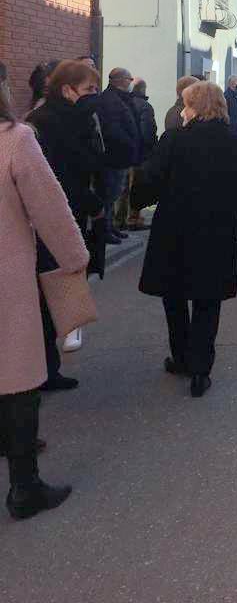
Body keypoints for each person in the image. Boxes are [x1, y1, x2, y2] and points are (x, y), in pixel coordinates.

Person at [132, 81, 237, 398]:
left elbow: (150, 180)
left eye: (187, 104)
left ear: (195, 107)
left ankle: (183, 357)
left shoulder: (174, 139)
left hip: (175, 227)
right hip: (217, 228)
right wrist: (226, 206)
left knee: (174, 295)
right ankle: (201, 368)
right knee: (208, 298)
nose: (183, 109)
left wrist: (141, 199)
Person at [0, 83, 90, 520]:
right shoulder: (15, 140)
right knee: (17, 380)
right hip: (7, 281)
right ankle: (24, 486)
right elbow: (50, 208)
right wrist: (75, 260)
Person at [27, 60, 105, 375]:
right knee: (48, 288)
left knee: (61, 282)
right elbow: (64, 173)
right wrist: (92, 203)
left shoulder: (80, 118)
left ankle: (50, 359)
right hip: (52, 218)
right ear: (67, 90)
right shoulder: (44, 122)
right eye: (89, 90)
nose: (94, 96)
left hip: (76, 211)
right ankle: (44, 366)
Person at [96, 68, 141, 244]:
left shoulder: (120, 98)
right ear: (120, 80)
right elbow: (113, 129)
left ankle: (111, 226)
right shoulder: (109, 100)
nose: (131, 82)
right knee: (108, 195)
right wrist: (129, 143)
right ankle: (105, 229)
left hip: (122, 156)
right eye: (129, 78)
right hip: (114, 156)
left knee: (114, 194)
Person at [122, 78, 158, 232]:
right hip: (140, 155)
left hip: (125, 153)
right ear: (143, 89)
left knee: (123, 189)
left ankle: (121, 220)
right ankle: (134, 219)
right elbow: (147, 132)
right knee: (135, 188)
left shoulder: (123, 104)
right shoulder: (145, 106)